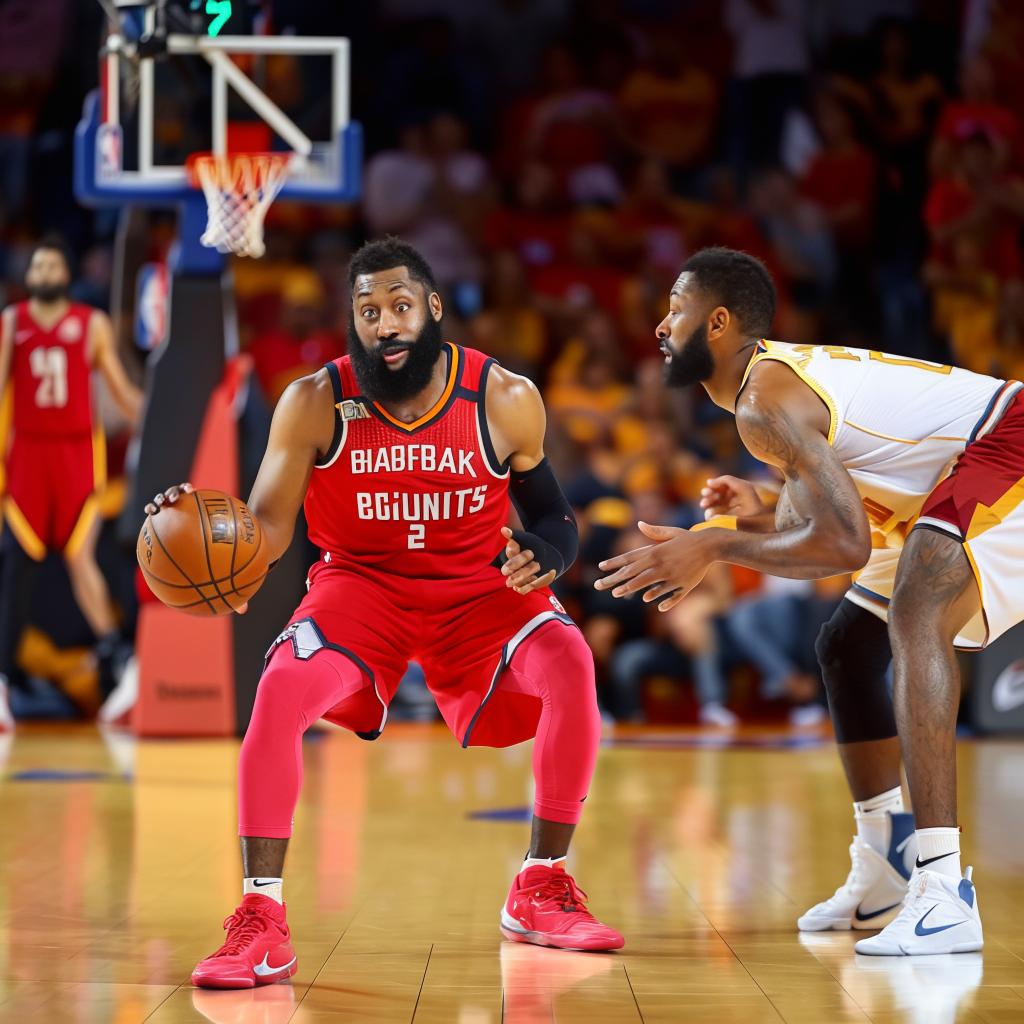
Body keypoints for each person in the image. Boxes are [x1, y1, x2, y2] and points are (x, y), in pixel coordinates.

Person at [147, 238, 623, 990]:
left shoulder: (502, 397)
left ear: (433, 309)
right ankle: (259, 920)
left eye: (400, 306)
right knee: (278, 690)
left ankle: (541, 884)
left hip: (477, 589)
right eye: (367, 312)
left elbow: (555, 516)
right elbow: (268, 529)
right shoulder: (312, 402)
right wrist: (213, 535)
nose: (385, 325)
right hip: (359, 588)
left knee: (570, 661)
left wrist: (549, 555)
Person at [596, 245, 1024, 955]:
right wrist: (755, 510)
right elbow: (830, 509)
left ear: (719, 323)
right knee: (846, 645)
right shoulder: (769, 388)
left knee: (917, 609)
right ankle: (885, 861)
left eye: (676, 307)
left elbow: (845, 546)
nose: (660, 325)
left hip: (1007, 443)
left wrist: (711, 544)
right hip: (944, 479)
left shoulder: (764, 401)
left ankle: (944, 892)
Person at [0, 239, 142, 729]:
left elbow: (124, 396)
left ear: (65, 272)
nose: (45, 269)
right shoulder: (12, 323)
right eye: (37, 263)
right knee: (17, 563)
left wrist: (166, 413)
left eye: (53, 262)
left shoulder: (92, 324)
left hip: (76, 452)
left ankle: (126, 665)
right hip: (28, 455)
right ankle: (3, 680)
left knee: (83, 561)